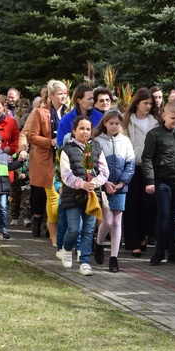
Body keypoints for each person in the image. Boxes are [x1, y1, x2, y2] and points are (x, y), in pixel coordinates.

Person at [58, 115, 108, 276]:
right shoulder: (68, 149)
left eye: (88, 129)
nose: (85, 132)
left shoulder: (96, 148)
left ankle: (85, 261)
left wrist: (95, 182)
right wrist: (81, 184)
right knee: (74, 228)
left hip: (91, 196)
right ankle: (66, 249)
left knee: (88, 229)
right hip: (73, 195)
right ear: (74, 131)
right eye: (81, 128)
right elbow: (66, 174)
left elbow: (104, 171)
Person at [143, 100, 175, 266]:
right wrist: (150, 180)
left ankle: (173, 251)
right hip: (162, 180)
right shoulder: (154, 134)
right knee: (164, 215)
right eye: (172, 118)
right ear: (163, 115)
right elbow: (147, 158)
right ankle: (159, 251)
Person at [93, 110, 135, 272]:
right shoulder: (97, 141)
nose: (114, 126)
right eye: (111, 123)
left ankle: (114, 257)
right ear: (105, 123)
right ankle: (99, 243)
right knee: (108, 221)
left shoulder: (125, 141)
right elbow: (94, 165)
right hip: (105, 187)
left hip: (120, 188)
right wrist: (105, 183)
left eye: (117, 123)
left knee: (117, 222)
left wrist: (122, 183)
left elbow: (130, 164)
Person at [27, 80, 67, 243]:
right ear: (51, 96)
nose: (63, 96)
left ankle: (57, 228)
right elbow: (32, 136)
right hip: (46, 158)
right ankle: (51, 231)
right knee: (50, 194)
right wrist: (49, 142)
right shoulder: (40, 112)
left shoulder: (69, 112)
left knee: (60, 196)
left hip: (65, 159)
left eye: (65, 93)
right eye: (60, 93)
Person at [122, 88, 160, 257]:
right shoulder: (127, 120)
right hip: (132, 165)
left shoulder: (155, 120)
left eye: (150, 104)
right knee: (132, 205)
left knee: (149, 205)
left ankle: (143, 236)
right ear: (137, 103)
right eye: (145, 103)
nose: (148, 106)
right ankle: (133, 242)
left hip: (150, 167)